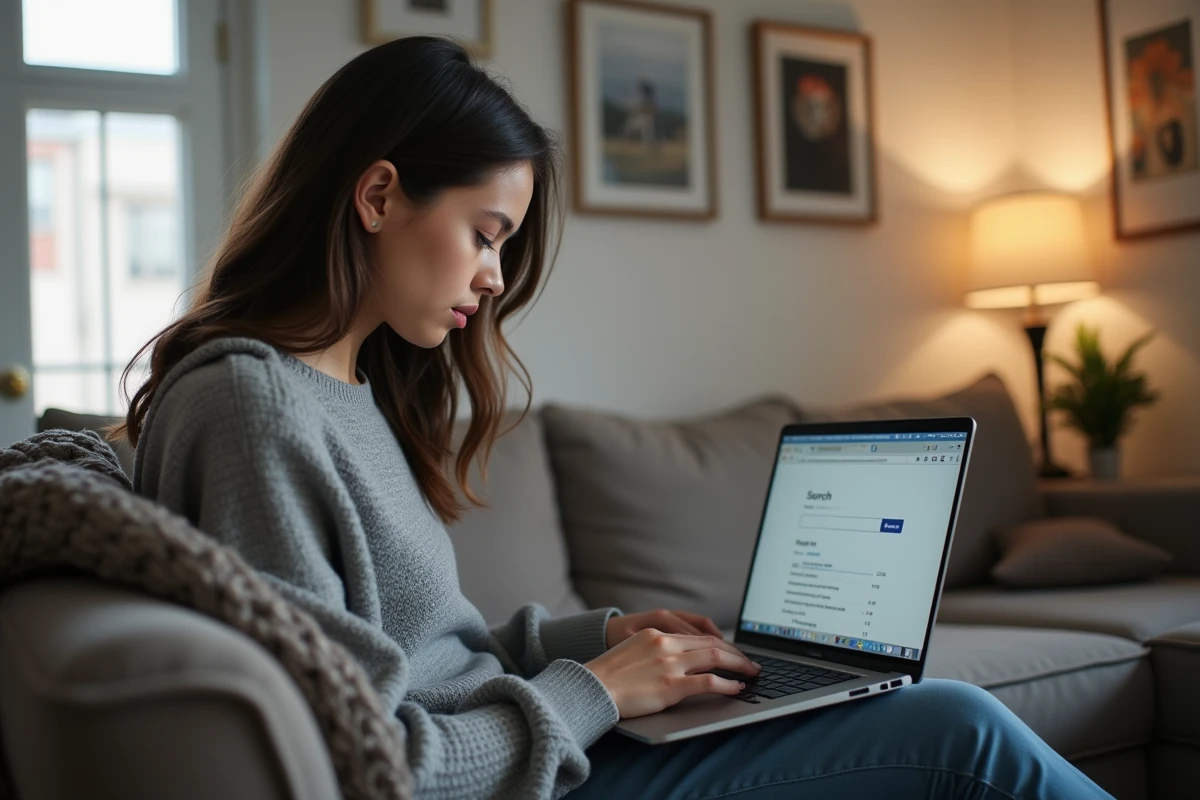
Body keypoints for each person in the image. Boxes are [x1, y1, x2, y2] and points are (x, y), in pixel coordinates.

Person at [120, 37, 1114, 799]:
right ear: (379, 194)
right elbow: (368, 760)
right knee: (957, 730)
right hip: (534, 773)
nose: (495, 278)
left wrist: (595, 637)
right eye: (484, 233)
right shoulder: (250, 408)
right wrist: (602, 690)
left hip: (545, 745)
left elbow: (427, 652)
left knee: (929, 715)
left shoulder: (343, 388)